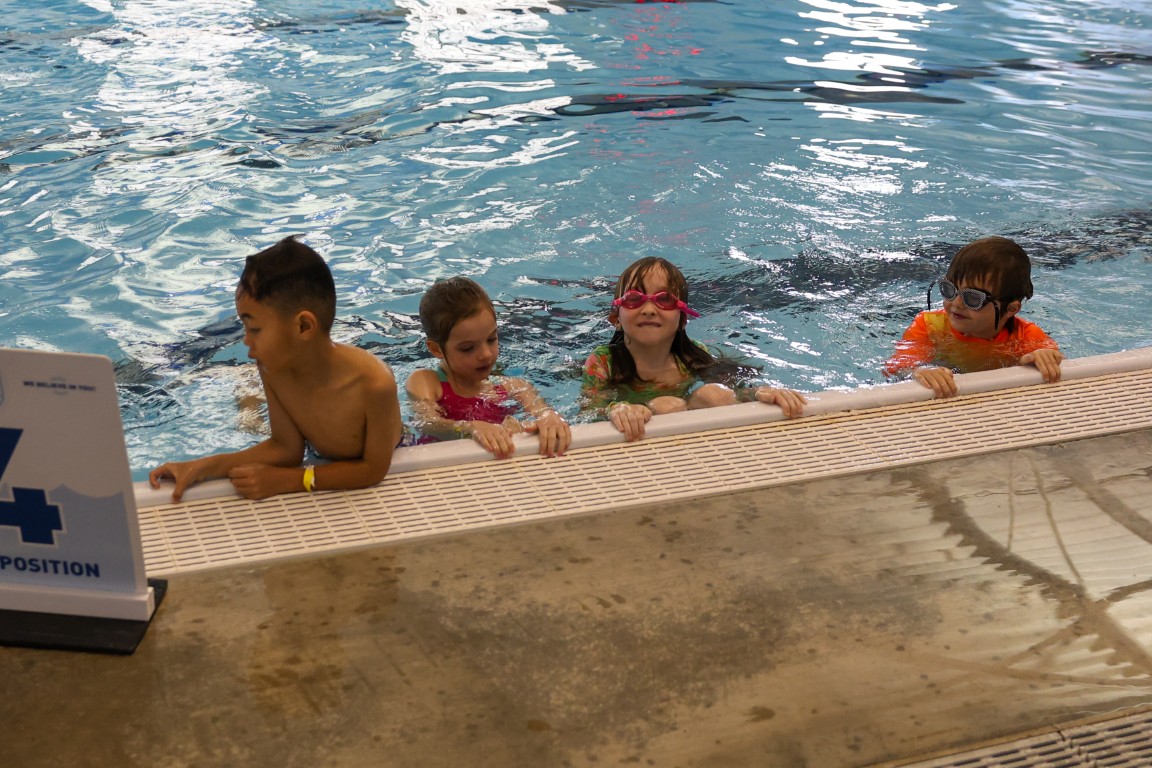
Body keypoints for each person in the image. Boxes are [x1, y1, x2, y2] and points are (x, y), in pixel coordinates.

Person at [149, 236, 402, 502]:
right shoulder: (274, 368)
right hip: (323, 456)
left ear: (303, 326)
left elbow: (373, 470)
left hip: (398, 453)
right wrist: (200, 468)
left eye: (254, 329)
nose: (246, 340)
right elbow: (286, 449)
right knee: (249, 423)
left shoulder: (374, 383)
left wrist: (289, 480)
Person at [581, 256, 806, 441]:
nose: (649, 309)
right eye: (633, 299)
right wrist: (617, 408)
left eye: (664, 300)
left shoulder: (691, 355)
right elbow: (589, 410)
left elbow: (736, 389)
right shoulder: (604, 362)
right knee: (665, 406)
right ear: (616, 319)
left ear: (682, 320)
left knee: (715, 393)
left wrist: (759, 392)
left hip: (683, 419)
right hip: (642, 433)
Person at [406, 276, 571, 459]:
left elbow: (543, 412)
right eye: (467, 348)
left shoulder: (512, 387)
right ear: (436, 349)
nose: (485, 354)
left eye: (491, 339)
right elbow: (428, 423)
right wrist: (469, 427)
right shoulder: (426, 381)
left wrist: (549, 418)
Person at [884, 235, 1064, 397]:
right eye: (949, 290)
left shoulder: (1025, 336)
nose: (956, 303)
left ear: (1011, 309)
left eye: (972, 298)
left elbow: (1057, 365)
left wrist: (1045, 357)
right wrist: (919, 371)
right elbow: (897, 367)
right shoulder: (929, 325)